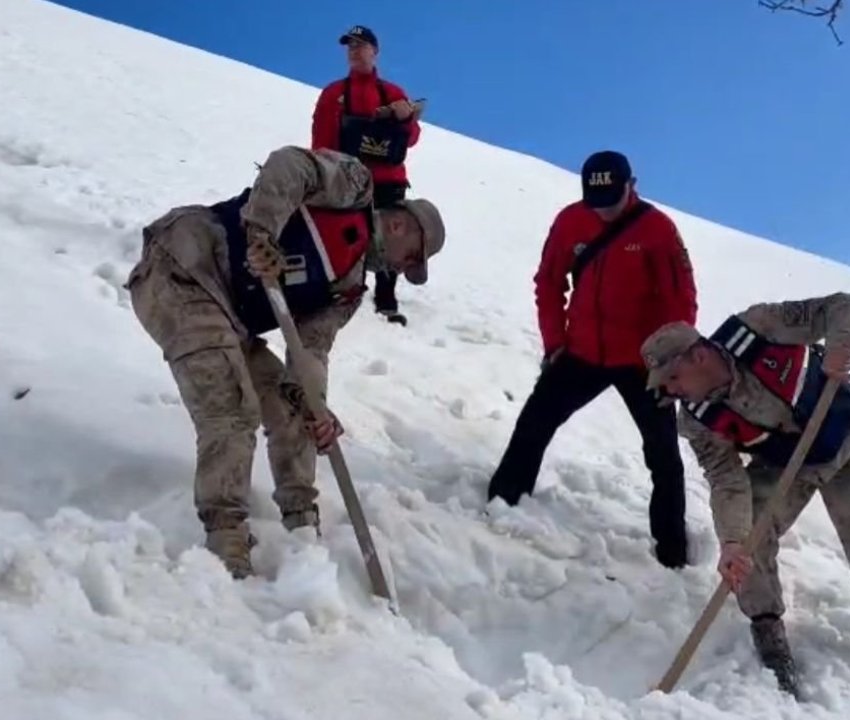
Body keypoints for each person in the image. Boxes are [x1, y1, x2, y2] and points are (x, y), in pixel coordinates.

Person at [124, 145, 446, 579]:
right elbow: (289, 165)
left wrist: (315, 404)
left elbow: (310, 351)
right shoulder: (353, 186)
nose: (403, 267)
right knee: (233, 408)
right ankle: (227, 544)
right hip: (183, 268)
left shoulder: (348, 291)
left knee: (295, 411)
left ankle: (301, 527)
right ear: (401, 222)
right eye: (412, 256)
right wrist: (263, 233)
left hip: (231, 318)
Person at [639, 292, 850, 697]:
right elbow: (727, 480)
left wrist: (841, 346)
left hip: (849, 445)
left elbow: (845, 306)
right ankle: (767, 627)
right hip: (788, 466)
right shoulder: (697, 420)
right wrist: (733, 542)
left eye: (673, 378)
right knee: (749, 535)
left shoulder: (759, 328)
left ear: (698, 356)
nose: (671, 391)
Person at [486, 150, 698, 569]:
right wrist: (554, 343)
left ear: (631, 186)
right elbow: (548, 282)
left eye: (612, 202)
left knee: (663, 455)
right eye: (595, 203)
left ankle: (672, 553)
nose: (602, 212)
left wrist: (670, 364)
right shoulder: (571, 220)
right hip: (581, 352)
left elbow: (681, 301)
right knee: (534, 421)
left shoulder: (657, 230)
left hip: (643, 362)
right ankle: (500, 503)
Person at [311, 24, 425, 327]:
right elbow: (321, 141)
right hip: (348, 179)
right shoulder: (333, 93)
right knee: (350, 235)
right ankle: (349, 292)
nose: (354, 50)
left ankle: (386, 302)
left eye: (361, 45)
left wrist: (405, 118)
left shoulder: (393, 93)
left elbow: (411, 138)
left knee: (391, 238)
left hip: (389, 181)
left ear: (375, 51)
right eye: (350, 46)